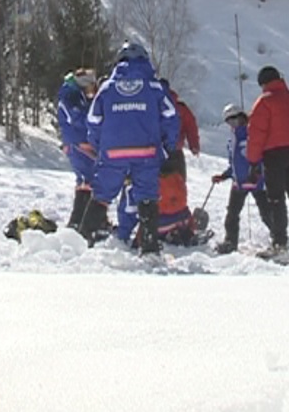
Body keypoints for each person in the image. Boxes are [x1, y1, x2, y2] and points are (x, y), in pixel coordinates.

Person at [77, 41, 179, 255]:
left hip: (113, 153)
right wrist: (167, 148)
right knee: (147, 197)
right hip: (147, 151)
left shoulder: (107, 88)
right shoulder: (153, 87)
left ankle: (83, 241)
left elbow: (93, 121)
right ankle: (149, 248)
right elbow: (171, 117)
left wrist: (100, 147)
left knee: (102, 196)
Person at [245, 66, 289, 259]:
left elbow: (256, 134)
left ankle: (279, 243)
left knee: (276, 199)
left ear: (263, 83)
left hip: (273, 155)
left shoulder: (264, 103)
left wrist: (253, 161)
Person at [212, 104, 275, 255]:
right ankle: (230, 242)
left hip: (256, 181)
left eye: (234, 120)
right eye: (229, 122)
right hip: (238, 183)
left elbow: (260, 156)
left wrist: (259, 173)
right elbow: (234, 163)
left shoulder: (251, 133)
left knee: (266, 212)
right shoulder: (232, 139)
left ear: (241, 117)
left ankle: (278, 237)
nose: (232, 124)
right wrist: (225, 175)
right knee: (232, 214)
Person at [56, 68, 98, 231]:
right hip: (77, 144)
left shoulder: (76, 95)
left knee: (86, 179)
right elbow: (77, 118)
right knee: (88, 179)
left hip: (81, 143)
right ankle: (81, 220)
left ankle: (81, 219)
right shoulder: (69, 97)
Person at [159, 79, 200, 181]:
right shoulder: (180, 107)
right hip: (176, 151)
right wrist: (194, 145)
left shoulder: (151, 105)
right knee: (178, 184)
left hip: (155, 151)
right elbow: (191, 126)